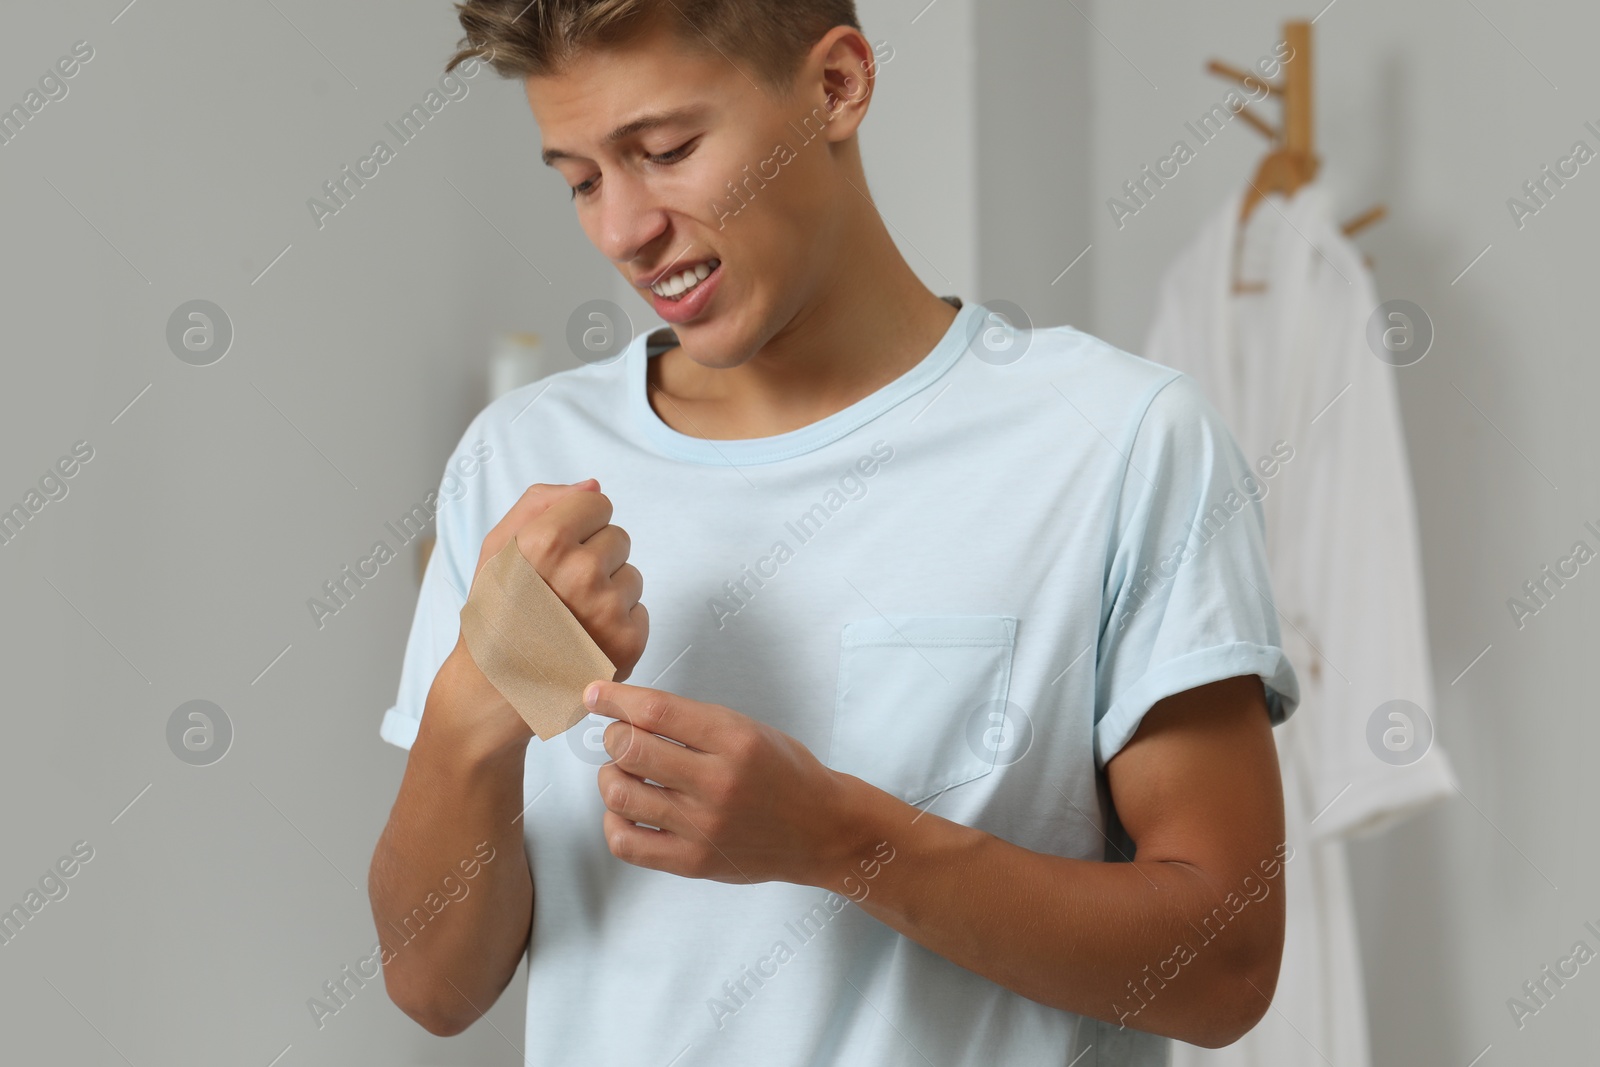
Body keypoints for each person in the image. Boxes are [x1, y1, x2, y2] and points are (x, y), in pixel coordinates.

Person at [367, 2, 1301, 1064]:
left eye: (666, 151)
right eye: (581, 179)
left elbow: (1225, 968)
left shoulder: (1117, 443)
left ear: (837, 87)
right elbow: (432, 986)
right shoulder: (518, 461)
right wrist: (468, 713)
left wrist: (835, 837)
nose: (623, 229)